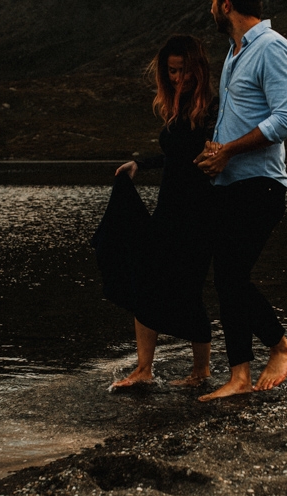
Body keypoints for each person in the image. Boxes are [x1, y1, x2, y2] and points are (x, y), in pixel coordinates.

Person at [194, 0, 287, 402]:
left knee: (232, 276)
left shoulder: (271, 46)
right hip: (230, 185)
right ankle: (239, 376)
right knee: (225, 279)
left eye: (213, 4)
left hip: (261, 186)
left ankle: (281, 347)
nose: (210, 10)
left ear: (225, 5)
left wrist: (229, 151)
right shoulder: (235, 52)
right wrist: (214, 151)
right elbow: (238, 116)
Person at [109, 35, 218, 388]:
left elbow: (210, 158)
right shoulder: (177, 106)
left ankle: (201, 371)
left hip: (199, 213)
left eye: (183, 70)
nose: (177, 78)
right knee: (145, 279)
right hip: (168, 211)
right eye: (171, 71)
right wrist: (139, 164)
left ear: (197, 68)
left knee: (188, 288)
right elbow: (175, 157)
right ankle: (144, 370)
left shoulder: (213, 108)